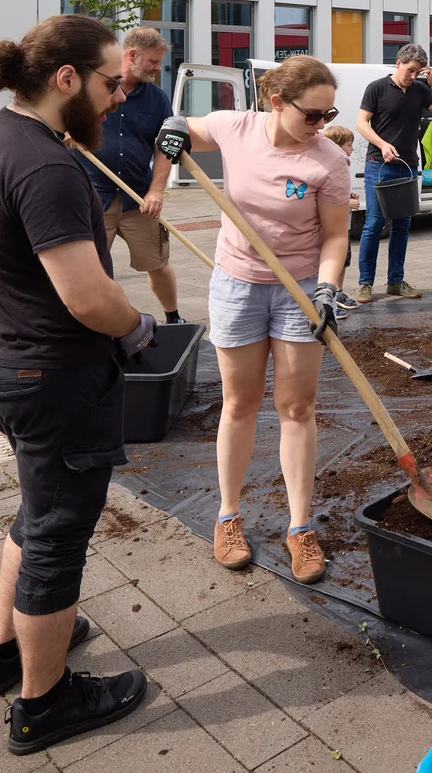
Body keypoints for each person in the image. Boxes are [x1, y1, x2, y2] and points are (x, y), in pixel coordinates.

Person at [0, 15, 153, 754]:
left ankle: (7, 651)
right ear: (66, 78)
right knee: (56, 538)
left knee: (35, 518)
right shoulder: (45, 165)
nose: (116, 98)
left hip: (3, 366)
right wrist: (136, 328)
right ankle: (44, 703)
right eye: (110, 82)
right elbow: (87, 296)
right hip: (53, 380)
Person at [154, 56, 350, 585]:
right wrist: (172, 131)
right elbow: (183, 126)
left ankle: (301, 526)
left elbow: (335, 236)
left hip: (301, 290)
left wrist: (329, 287)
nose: (321, 125)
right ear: (276, 102)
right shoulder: (235, 127)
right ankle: (228, 516)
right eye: (312, 114)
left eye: (328, 113)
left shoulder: (328, 160)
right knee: (239, 403)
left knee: (297, 405)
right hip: (238, 285)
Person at [76, 27, 184, 325]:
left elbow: (165, 147)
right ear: (132, 55)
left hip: (138, 197)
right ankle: (93, 324)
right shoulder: (94, 87)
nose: (157, 68)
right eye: (153, 61)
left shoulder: (158, 99)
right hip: (95, 196)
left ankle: (173, 318)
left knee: (158, 264)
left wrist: (156, 190)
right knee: (91, 267)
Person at [354, 44, 432, 303]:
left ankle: (395, 282)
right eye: (410, 70)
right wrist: (383, 144)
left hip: (408, 164)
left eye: (418, 71)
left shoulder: (421, 89)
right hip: (378, 163)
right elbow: (361, 123)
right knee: (374, 223)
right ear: (398, 63)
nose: (413, 75)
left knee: (402, 224)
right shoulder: (377, 88)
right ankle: (365, 284)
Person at [321, 123, 363, 315]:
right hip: (332, 228)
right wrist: (347, 204)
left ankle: (338, 292)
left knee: (343, 261)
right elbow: (322, 201)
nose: (352, 148)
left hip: (343, 227)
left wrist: (348, 196)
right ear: (336, 146)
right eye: (348, 145)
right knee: (332, 262)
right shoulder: (327, 168)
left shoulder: (342, 166)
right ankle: (326, 299)